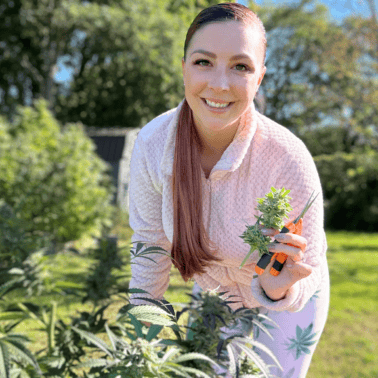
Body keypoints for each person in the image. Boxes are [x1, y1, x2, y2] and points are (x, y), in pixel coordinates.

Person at [128, 3, 330, 377]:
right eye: (203, 62)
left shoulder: (287, 159)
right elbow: (151, 242)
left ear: (260, 78)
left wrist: (275, 288)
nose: (220, 84)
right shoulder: (154, 143)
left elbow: (309, 265)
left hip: (287, 300)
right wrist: (142, 337)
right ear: (184, 66)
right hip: (214, 287)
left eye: (240, 66)